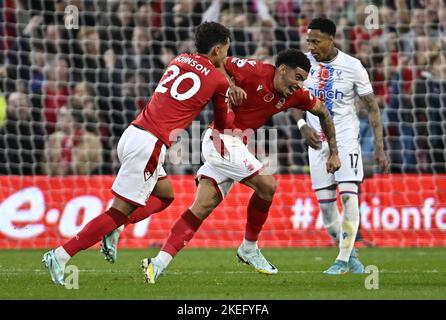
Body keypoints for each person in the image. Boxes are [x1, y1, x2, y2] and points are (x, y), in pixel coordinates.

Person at [42, 21, 234, 285]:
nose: (227, 56)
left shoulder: (180, 59)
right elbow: (222, 125)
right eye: (225, 51)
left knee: (165, 195)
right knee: (118, 211)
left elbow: (198, 74)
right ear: (216, 50)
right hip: (150, 144)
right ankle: (61, 255)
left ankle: (116, 227)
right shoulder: (219, 80)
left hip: (133, 132)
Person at [142, 49, 341, 284]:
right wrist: (230, 85)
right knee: (268, 185)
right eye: (297, 77)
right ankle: (249, 248)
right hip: (220, 138)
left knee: (203, 206)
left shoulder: (296, 95)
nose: (299, 85)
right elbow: (217, 64)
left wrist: (334, 153)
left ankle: (157, 264)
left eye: (303, 81)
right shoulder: (254, 70)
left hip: (236, 145)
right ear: (282, 70)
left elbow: (323, 112)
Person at [292, 18, 389, 275]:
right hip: (316, 142)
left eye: (316, 41)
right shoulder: (302, 63)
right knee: (325, 206)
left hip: (345, 139)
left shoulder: (353, 66)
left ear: (331, 39)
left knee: (348, 196)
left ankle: (342, 260)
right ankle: (349, 252)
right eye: (308, 41)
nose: (311, 46)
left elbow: (372, 108)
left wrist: (379, 146)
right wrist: (303, 125)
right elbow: (289, 97)